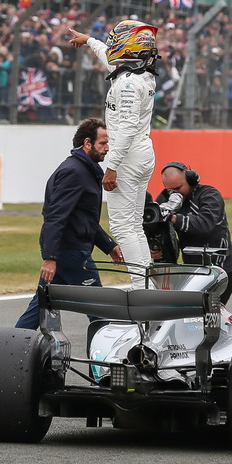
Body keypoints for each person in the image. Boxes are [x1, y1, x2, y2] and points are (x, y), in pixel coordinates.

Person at [68, 21, 159, 289]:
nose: (111, 46)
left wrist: (112, 167)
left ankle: (140, 286)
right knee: (134, 224)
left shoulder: (127, 84)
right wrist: (88, 41)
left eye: (115, 41)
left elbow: (128, 127)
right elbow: (109, 60)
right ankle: (146, 283)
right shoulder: (141, 75)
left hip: (128, 155)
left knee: (122, 226)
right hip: (143, 151)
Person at [15, 118, 124, 329]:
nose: (107, 148)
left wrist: (108, 245)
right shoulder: (74, 172)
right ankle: (102, 361)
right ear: (87, 143)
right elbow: (56, 216)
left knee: (40, 307)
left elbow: (83, 218)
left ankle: (10, 350)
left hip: (66, 251)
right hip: (71, 253)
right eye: (103, 143)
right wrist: (50, 258)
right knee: (100, 311)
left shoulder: (84, 170)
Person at [151, 162, 232, 305]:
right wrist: (155, 247)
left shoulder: (210, 194)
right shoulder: (166, 198)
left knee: (208, 320)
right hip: (191, 271)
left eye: (179, 188)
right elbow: (155, 225)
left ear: (191, 178)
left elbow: (205, 225)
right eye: (170, 190)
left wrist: (173, 218)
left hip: (219, 271)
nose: (175, 193)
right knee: (191, 320)